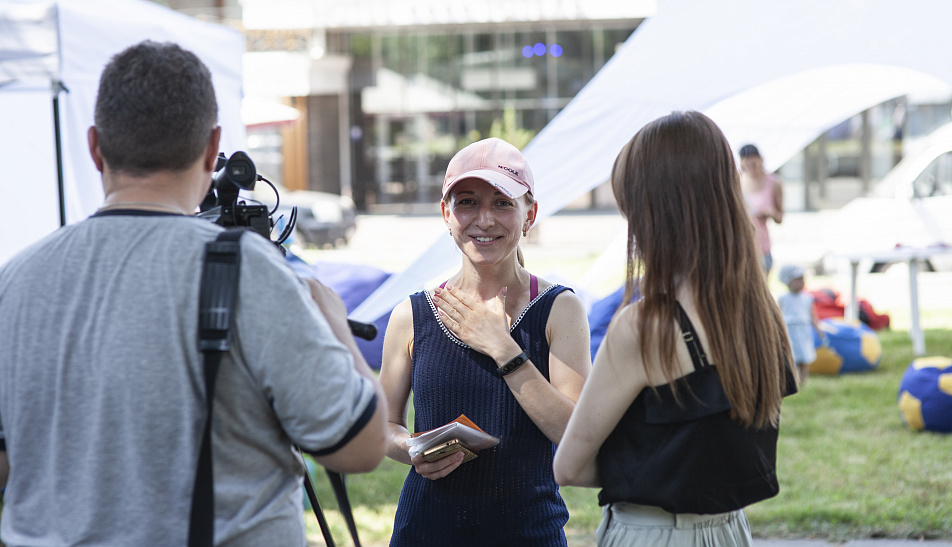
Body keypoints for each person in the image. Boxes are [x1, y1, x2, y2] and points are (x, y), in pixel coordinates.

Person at [0, 41, 387, 546]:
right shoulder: (250, 271)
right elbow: (361, 446)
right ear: (211, 149)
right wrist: (334, 323)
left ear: (95, 146)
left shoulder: (16, 279)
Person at [553, 111, 797, 546]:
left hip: (652, 532)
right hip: (731, 531)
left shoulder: (643, 327)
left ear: (653, 213)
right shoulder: (764, 313)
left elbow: (569, 466)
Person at [378, 137, 592, 546]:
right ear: (446, 214)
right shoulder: (412, 315)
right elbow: (385, 426)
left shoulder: (559, 310)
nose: (485, 219)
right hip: (425, 532)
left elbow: (575, 434)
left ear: (529, 215)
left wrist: (504, 349)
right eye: (467, 202)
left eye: (502, 203)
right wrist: (412, 449)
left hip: (529, 534)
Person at [739, 144, 783, 274]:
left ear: (760, 160)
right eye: (747, 165)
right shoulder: (737, 181)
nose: (751, 168)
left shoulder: (774, 183)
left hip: (762, 247)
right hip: (741, 245)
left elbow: (780, 218)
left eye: (754, 164)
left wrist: (771, 213)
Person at [777, 264, 822, 384]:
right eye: (797, 280)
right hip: (790, 331)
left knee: (804, 357)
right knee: (792, 356)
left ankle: (803, 381)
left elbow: (813, 316)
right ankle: (793, 381)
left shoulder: (808, 298)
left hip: (803, 331)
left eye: (802, 279)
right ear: (788, 282)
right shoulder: (783, 298)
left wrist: (818, 329)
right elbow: (779, 315)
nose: (801, 282)